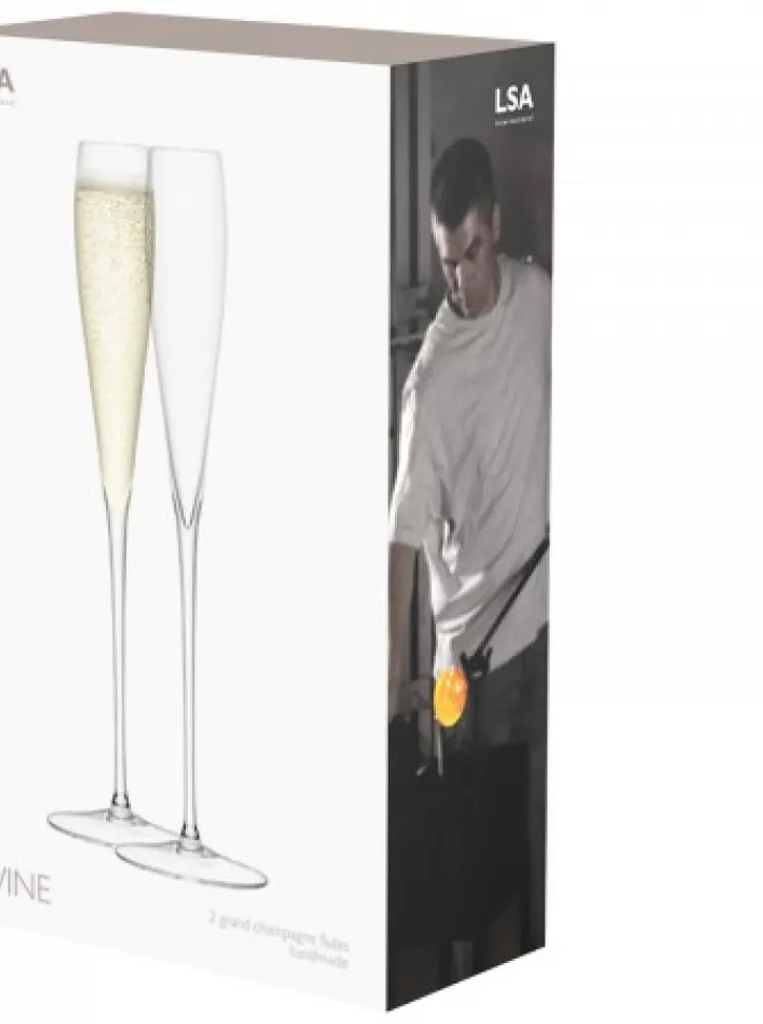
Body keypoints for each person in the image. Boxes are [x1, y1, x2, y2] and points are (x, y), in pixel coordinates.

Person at [388, 136, 551, 957]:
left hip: (541, 631)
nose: (460, 281)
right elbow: (400, 543)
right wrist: (393, 688)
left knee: (534, 878)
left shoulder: (542, 302)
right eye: (447, 262)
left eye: (473, 254)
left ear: (497, 225)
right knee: (468, 897)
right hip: (470, 670)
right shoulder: (431, 382)